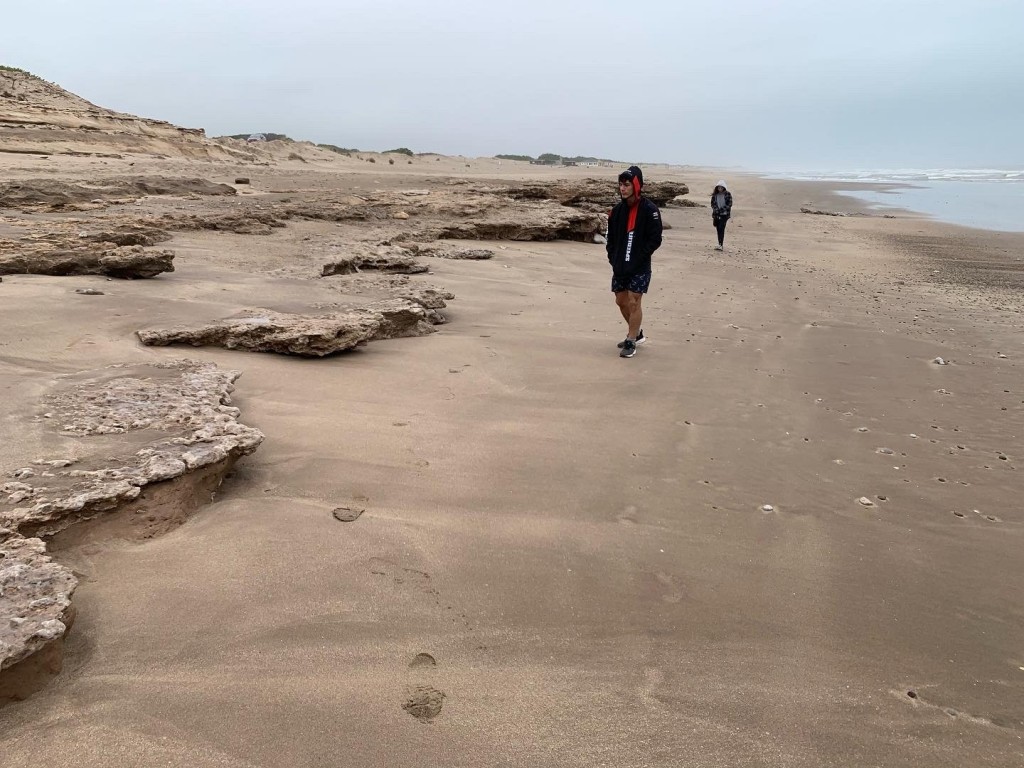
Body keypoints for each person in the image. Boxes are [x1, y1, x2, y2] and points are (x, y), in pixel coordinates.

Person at [606, 165, 663, 358]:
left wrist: (639, 258)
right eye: (621, 185)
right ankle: (637, 332)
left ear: (637, 185)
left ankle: (631, 340)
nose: (623, 188)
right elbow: (611, 239)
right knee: (621, 301)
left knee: (634, 301)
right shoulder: (616, 212)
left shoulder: (650, 210)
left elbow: (655, 239)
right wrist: (612, 258)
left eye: (627, 184)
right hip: (620, 265)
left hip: (639, 265)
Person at [710, 180, 733, 250]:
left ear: (724, 188)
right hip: (716, 214)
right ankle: (719, 243)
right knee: (717, 228)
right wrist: (716, 210)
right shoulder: (715, 195)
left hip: (724, 214)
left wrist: (721, 210)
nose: (720, 189)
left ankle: (721, 245)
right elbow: (712, 204)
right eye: (718, 187)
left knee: (721, 228)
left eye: (721, 187)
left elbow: (729, 204)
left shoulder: (727, 194)